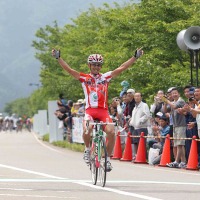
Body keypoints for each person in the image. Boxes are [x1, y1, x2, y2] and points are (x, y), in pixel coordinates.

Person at [52, 47, 143, 171]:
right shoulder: (84, 78)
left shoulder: (105, 78)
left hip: (103, 111)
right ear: (89, 65)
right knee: (88, 128)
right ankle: (87, 149)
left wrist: (135, 57)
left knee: (111, 132)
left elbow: (122, 68)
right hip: (90, 111)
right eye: (94, 65)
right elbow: (69, 70)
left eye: (98, 65)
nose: (96, 67)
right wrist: (58, 58)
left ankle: (107, 160)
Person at [164, 88, 187, 168]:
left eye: (175, 93)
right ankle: (183, 162)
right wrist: (164, 101)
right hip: (175, 125)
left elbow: (174, 106)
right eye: (172, 93)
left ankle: (177, 161)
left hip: (181, 124)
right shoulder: (172, 102)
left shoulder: (180, 101)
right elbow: (165, 110)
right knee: (178, 144)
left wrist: (167, 101)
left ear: (179, 94)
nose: (174, 95)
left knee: (180, 144)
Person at [129, 92, 151, 161]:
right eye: (135, 96)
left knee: (142, 143)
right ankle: (137, 155)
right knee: (135, 142)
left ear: (141, 97)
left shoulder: (144, 105)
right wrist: (131, 122)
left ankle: (143, 157)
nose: (136, 98)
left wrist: (140, 121)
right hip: (135, 127)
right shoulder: (135, 107)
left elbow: (147, 115)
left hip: (142, 127)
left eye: (138, 96)